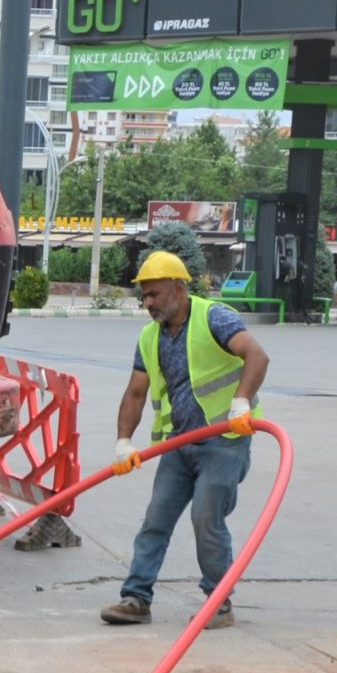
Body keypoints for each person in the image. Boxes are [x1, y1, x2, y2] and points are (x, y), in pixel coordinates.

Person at [100, 251, 270, 629]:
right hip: (180, 444)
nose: (148, 304)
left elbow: (257, 356)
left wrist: (240, 402)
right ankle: (135, 598)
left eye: (155, 295)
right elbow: (135, 393)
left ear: (178, 289)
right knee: (155, 521)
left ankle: (219, 604)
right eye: (144, 297)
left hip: (224, 440)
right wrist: (123, 441)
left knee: (206, 518)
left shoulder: (215, 317)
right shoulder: (150, 337)